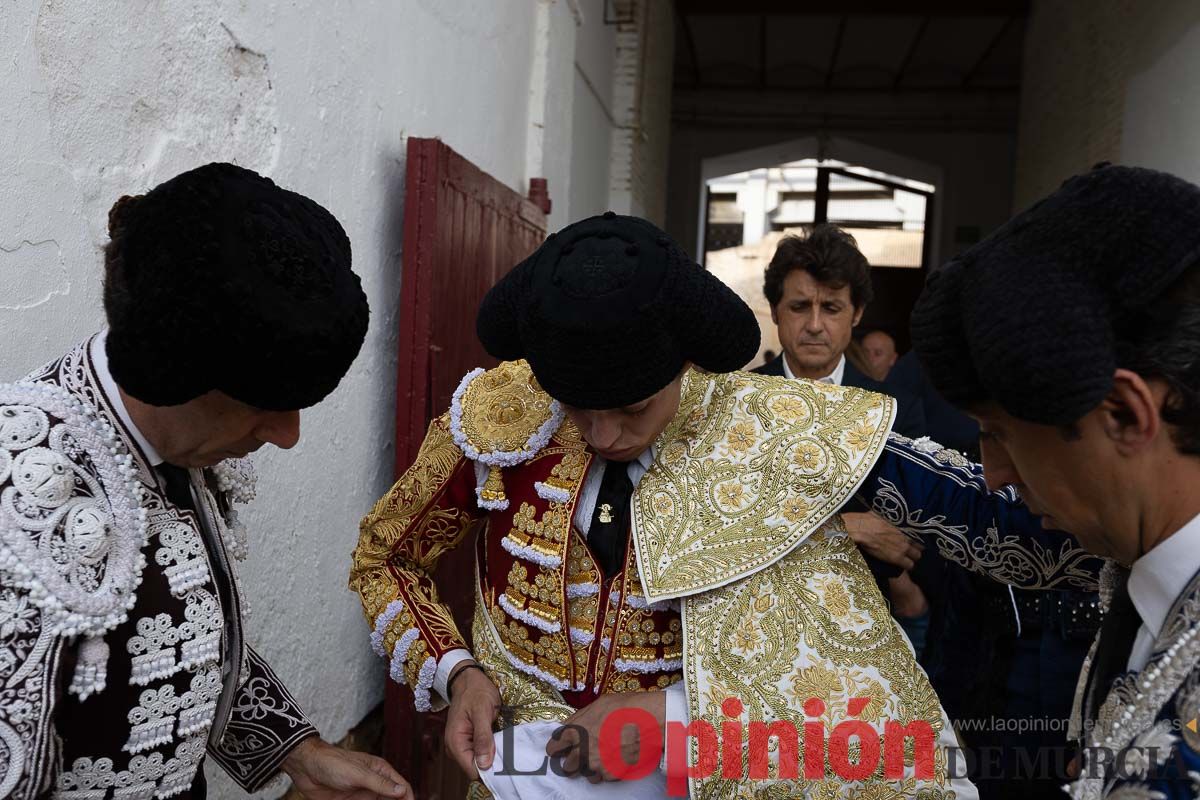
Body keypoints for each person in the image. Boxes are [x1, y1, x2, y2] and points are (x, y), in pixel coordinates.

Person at [350, 213, 977, 798]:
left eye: (633, 408)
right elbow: (385, 559)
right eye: (577, 408)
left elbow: (809, 670)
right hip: (512, 775)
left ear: (684, 366)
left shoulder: (751, 430)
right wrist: (458, 672)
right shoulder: (498, 414)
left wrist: (674, 717)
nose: (603, 435)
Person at [0, 163, 411, 800]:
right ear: (174, 374)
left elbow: (183, 645)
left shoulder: (176, 445)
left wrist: (299, 753)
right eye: (262, 403)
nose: (287, 434)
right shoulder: (20, 491)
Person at [858, 164, 1200, 798]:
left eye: (1001, 435)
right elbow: (987, 518)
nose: (995, 474)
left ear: (1126, 415)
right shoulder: (1133, 534)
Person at [754, 226, 930, 654]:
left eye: (831, 308)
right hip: (758, 620)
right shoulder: (739, 401)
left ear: (856, 314)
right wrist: (850, 527)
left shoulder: (894, 409)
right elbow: (728, 528)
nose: (815, 325)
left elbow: (907, 537)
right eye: (800, 306)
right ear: (775, 311)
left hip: (871, 621)